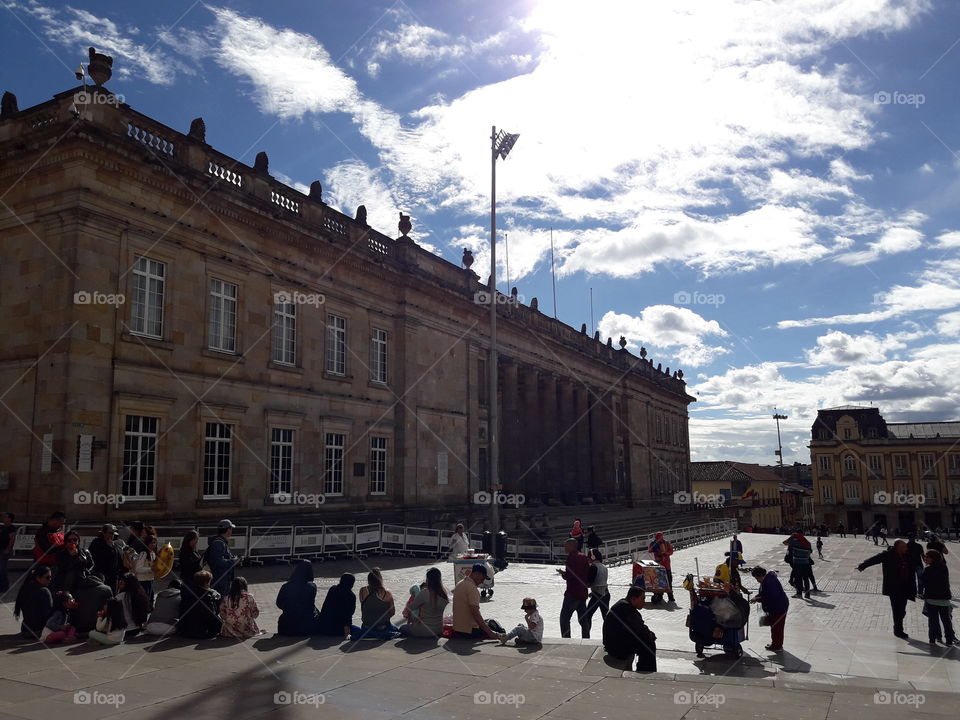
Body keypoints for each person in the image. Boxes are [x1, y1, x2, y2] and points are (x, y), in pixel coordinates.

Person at [857, 539, 916, 639]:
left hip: (905, 586)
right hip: (894, 586)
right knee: (896, 609)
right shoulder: (888, 555)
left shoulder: (907, 556)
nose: (906, 548)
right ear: (899, 548)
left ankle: (898, 624)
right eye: (904, 547)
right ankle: (898, 630)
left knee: (902, 610)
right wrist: (863, 565)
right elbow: (875, 559)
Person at [602, 585, 657, 672]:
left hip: (615, 642)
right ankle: (645, 670)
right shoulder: (625, 608)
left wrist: (649, 634)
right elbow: (639, 628)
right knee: (649, 644)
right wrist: (650, 635)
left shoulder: (625, 605)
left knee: (646, 640)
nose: (644, 602)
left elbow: (639, 625)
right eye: (642, 599)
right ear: (634, 599)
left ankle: (645, 668)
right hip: (615, 647)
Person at [451, 563, 499, 639]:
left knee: (488, 622)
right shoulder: (472, 589)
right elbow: (476, 614)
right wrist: (491, 633)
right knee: (496, 627)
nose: (482, 582)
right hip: (468, 631)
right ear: (477, 574)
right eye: (482, 579)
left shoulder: (460, 584)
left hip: (457, 629)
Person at [276, 560, 323, 635]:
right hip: (307, 627)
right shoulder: (312, 587)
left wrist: (288, 607)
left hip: (286, 626)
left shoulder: (285, 587)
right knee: (315, 610)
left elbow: (278, 603)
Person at [920, 549, 957, 646]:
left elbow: (923, 582)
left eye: (927, 557)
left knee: (933, 620)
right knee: (946, 620)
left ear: (932, 558)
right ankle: (949, 640)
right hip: (944, 598)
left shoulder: (928, 569)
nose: (925, 558)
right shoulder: (944, 567)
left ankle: (933, 639)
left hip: (931, 598)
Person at [400, 567, 449, 638]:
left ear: (428, 580)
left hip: (423, 630)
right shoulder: (444, 594)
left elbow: (411, 607)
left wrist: (411, 599)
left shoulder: (425, 592)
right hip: (438, 630)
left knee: (402, 628)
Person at [750, 566, 789, 651]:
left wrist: (757, 599)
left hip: (779, 607)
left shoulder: (769, 582)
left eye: (757, 578)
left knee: (777, 627)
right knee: (774, 626)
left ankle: (777, 646)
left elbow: (770, 596)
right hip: (776, 607)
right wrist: (756, 598)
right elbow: (764, 593)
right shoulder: (767, 579)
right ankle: (775, 643)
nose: (757, 580)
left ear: (761, 575)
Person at [354, 569, 400, 640]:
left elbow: (364, 606)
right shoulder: (386, 593)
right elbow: (392, 612)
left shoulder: (362, 591)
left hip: (367, 626)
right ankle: (382, 634)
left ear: (368, 580)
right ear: (380, 580)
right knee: (399, 630)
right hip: (383, 626)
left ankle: (371, 633)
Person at [558, 538, 590, 638]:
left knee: (564, 618)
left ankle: (566, 639)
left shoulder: (571, 557)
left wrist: (563, 574)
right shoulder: (583, 556)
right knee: (583, 619)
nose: (564, 548)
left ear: (572, 546)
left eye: (566, 546)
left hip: (572, 593)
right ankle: (586, 637)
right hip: (583, 592)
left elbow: (570, 576)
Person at [178, 570, 223, 639]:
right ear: (206, 583)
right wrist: (216, 601)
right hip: (201, 631)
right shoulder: (206, 597)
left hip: (185, 629)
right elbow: (212, 616)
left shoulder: (188, 593)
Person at [317, 573, 360, 639]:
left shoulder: (332, 589)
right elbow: (347, 616)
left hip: (323, 626)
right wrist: (347, 635)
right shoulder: (350, 596)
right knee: (359, 630)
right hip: (337, 629)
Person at [13, 566, 53, 637]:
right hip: (38, 631)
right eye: (47, 577)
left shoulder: (24, 588)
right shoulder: (44, 591)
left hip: (25, 630)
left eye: (50, 577)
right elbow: (48, 612)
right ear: (38, 577)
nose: (50, 580)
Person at [53, 529, 93, 594]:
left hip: (82, 579)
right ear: (65, 542)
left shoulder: (85, 552)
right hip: (67, 582)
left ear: (78, 541)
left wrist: (85, 569)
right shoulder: (61, 554)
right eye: (69, 540)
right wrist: (73, 557)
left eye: (75, 540)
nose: (72, 542)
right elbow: (62, 568)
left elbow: (91, 564)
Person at [206, 520, 238, 596]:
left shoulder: (221, 542)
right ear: (228, 530)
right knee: (221, 602)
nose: (231, 531)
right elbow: (218, 562)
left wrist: (232, 558)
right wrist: (233, 561)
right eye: (231, 529)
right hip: (221, 580)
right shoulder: (219, 543)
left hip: (222, 578)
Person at [582, 549, 610, 638]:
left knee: (587, 616)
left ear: (592, 557)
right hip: (606, 593)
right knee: (606, 618)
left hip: (598, 595)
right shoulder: (604, 567)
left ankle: (586, 637)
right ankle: (607, 638)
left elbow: (590, 582)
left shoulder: (593, 567)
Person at [88, 524, 123, 593]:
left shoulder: (114, 544)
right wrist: (109, 548)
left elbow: (117, 560)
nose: (111, 536)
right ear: (104, 533)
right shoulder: (97, 543)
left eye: (113, 534)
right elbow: (99, 559)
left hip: (113, 577)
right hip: (101, 576)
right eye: (110, 533)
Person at [647, 531, 675, 602]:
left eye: (660, 537)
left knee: (669, 581)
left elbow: (671, 551)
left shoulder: (666, 543)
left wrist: (666, 553)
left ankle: (670, 596)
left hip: (666, 566)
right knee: (658, 582)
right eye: (658, 538)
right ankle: (659, 595)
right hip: (657, 566)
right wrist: (656, 553)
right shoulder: (653, 544)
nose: (659, 539)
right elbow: (649, 551)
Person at [784, 532, 813, 598]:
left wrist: (791, 537)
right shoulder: (808, 543)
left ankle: (799, 594)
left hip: (797, 563)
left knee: (798, 579)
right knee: (806, 578)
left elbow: (785, 543)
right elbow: (810, 552)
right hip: (806, 563)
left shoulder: (795, 542)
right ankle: (807, 594)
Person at [133, 532, 158, 606]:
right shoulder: (143, 553)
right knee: (143, 603)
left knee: (149, 601)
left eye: (155, 543)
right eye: (152, 543)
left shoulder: (152, 553)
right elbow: (138, 569)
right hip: (142, 581)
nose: (154, 545)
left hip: (149, 580)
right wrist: (150, 569)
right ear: (147, 543)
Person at [0, 511, 17, 594]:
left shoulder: (11, 528)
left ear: (9, 519)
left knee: (2, 568)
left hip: (5, 551)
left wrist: (8, 549)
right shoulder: (3, 527)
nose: (3, 518)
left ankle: (4, 586)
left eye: (5, 517)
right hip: (1, 549)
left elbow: (12, 539)